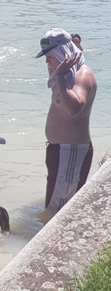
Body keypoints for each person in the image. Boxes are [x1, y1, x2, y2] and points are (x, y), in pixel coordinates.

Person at [36, 28, 97, 214]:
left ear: (62, 53)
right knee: (53, 206)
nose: (47, 61)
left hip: (71, 151)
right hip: (60, 149)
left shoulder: (82, 74)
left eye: (50, 56)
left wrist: (60, 76)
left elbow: (74, 108)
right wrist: (59, 75)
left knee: (59, 211)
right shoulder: (68, 74)